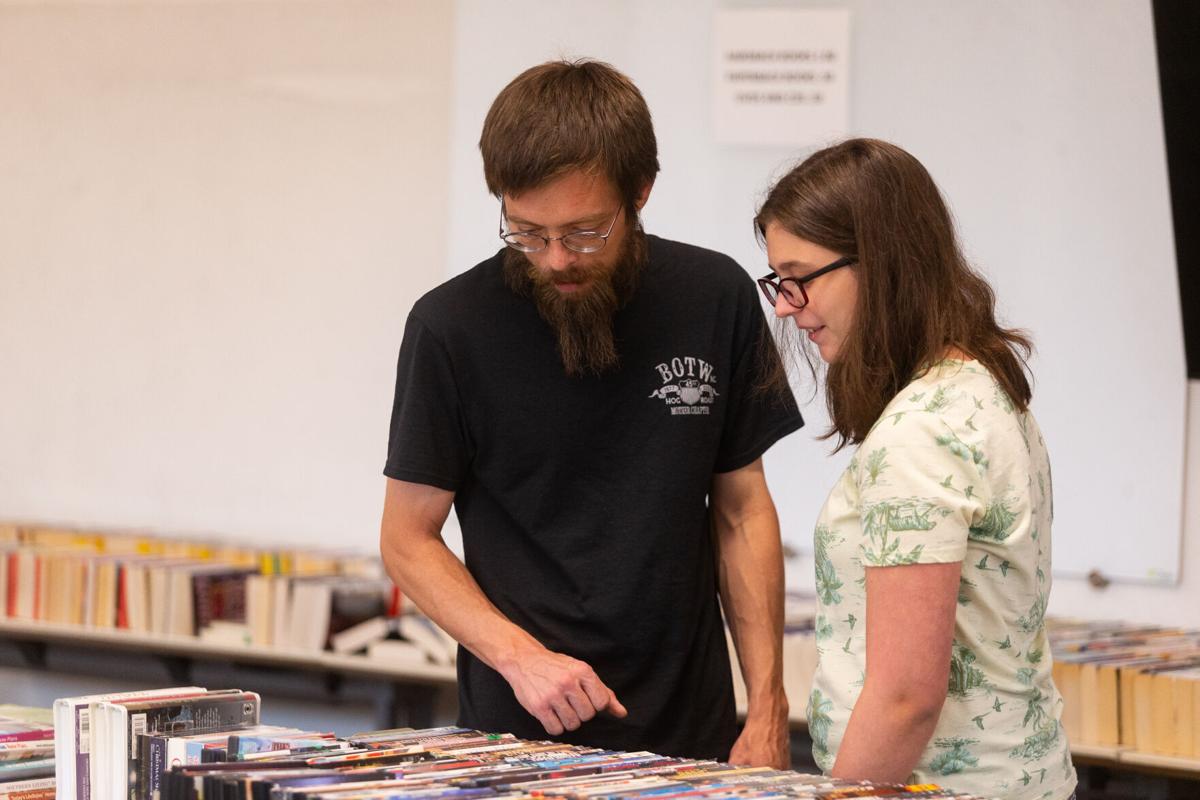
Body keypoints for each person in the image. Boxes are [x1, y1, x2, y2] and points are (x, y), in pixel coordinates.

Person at [379, 59, 803, 765]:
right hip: (514, 741)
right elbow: (407, 539)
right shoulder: (450, 328)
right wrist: (519, 658)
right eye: (526, 232)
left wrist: (767, 707)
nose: (553, 260)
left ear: (640, 192)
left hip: (692, 737)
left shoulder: (713, 297)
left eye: (584, 233)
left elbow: (741, 511)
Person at [755, 138, 1077, 799]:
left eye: (800, 276)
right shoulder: (982, 386)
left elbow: (905, 697)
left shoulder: (921, 430)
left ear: (880, 264)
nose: (785, 305)